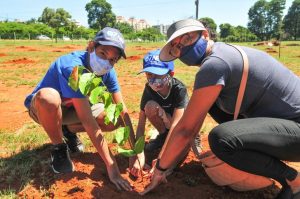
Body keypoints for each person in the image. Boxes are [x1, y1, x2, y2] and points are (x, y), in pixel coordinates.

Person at [140, 19, 300, 199]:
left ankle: (293, 180)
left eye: (187, 39)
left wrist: (161, 168)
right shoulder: (222, 52)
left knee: (222, 140)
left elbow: (186, 130)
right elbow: (192, 125)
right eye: (176, 46)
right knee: (212, 105)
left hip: (296, 127)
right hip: (285, 124)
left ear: (205, 34)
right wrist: (169, 160)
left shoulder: (215, 64)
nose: (182, 47)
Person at [24, 27, 135, 191]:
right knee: (49, 97)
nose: (107, 62)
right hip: (45, 108)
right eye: (103, 54)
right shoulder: (73, 68)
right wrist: (112, 166)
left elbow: (122, 111)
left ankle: (67, 130)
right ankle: (59, 147)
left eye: (113, 59)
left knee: (115, 118)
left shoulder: (108, 72)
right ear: (91, 47)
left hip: (75, 108)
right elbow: (88, 121)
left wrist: (135, 152)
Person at [129, 49, 195, 177]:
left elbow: (177, 126)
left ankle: (185, 145)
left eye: (158, 75)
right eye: (149, 74)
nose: (153, 79)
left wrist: (161, 161)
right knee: (150, 107)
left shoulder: (179, 89)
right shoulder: (149, 89)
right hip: (167, 124)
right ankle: (163, 137)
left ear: (171, 73)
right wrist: (139, 154)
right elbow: (141, 125)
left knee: (173, 161)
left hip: (181, 126)